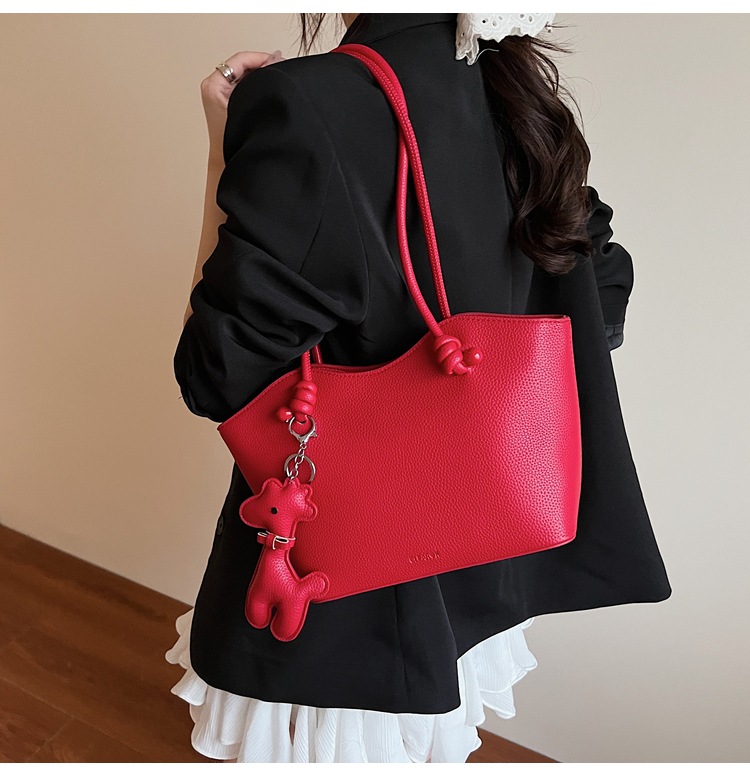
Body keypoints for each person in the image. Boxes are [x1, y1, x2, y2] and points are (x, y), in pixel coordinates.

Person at [166, 13, 672, 763]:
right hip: (487, 554)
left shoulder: (309, 99)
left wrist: (221, 148)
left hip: (351, 586)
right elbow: (603, 293)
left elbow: (215, 372)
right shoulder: (515, 91)